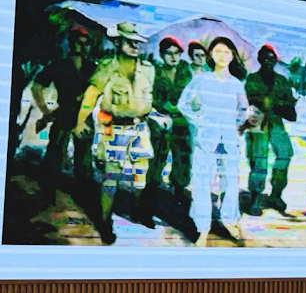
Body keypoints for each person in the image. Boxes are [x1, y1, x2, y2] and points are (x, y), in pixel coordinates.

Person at [74, 22, 156, 244]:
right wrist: (81, 121)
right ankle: (105, 221)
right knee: (111, 177)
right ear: (118, 42)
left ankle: (138, 211)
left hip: (140, 128)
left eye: (138, 42)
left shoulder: (148, 69)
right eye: (130, 41)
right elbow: (91, 95)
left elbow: (149, 100)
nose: (134, 46)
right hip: (115, 127)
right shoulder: (107, 67)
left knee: (141, 174)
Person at [179, 36, 251, 246]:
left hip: (228, 141)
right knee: (202, 183)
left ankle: (229, 221)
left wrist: (234, 126)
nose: (222, 55)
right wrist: (200, 122)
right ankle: (203, 228)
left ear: (232, 56)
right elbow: (183, 104)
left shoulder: (236, 84)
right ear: (211, 54)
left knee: (229, 183)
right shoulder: (201, 80)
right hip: (206, 139)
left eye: (226, 52)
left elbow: (244, 111)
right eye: (218, 51)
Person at [33, 26, 96, 202]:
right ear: (71, 44)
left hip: (84, 118)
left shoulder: (93, 68)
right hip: (63, 115)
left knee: (84, 160)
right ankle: (47, 195)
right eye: (79, 43)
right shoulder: (60, 65)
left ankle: (83, 197)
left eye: (87, 44)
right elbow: (36, 87)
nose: (84, 47)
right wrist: (45, 111)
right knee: (55, 154)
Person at [244, 44, 297, 216]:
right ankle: (255, 197)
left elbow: (290, 106)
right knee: (259, 160)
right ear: (259, 60)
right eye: (265, 58)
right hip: (258, 124)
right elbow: (248, 102)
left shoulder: (281, 81)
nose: (268, 61)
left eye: (272, 58)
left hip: (276, 123)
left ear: (276, 60)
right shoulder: (252, 79)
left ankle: (276, 194)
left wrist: (279, 106)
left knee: (285, 154)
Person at [145, 37, 194, 221]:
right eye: (169, 53)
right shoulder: (156, 72)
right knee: (157, 158)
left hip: (181, 121)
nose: (173, 57)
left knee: (182, 158)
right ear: (162, 55)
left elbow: (190, 95)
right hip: (161, 120)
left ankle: (179, 193)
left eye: (176, 53)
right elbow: (153, 97)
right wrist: (166, 109)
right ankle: (149, 198)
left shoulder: (184, 71)